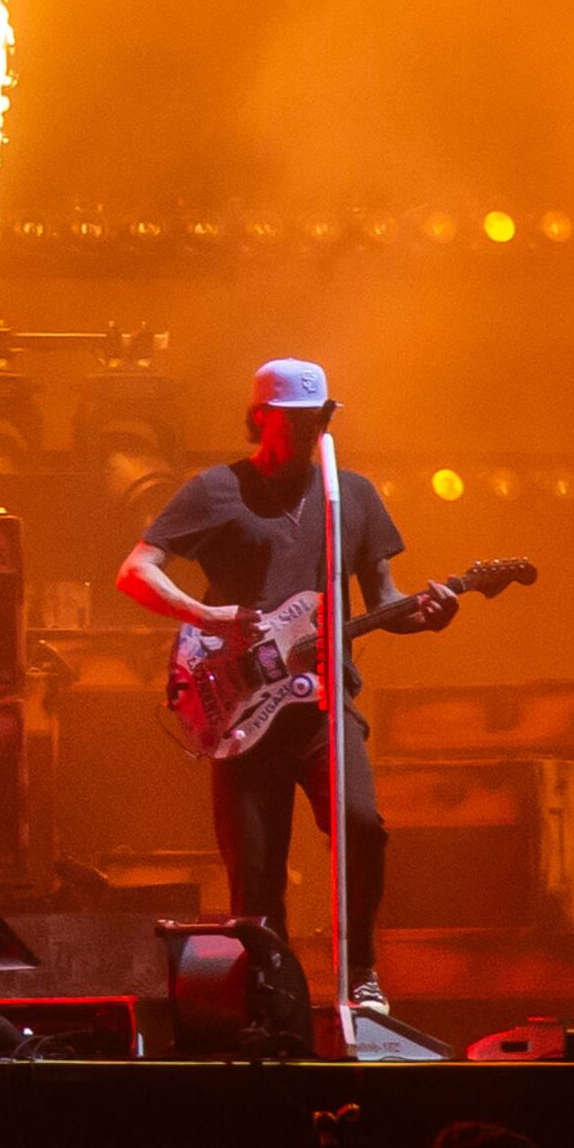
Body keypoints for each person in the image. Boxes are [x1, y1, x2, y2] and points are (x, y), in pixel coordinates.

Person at [115, 358, 454, 1017]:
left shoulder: (350, 495)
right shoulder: (216, 490)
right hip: (241, 706)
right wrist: (210, 615)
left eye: (319, 419)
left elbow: (387, 602)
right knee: (257, 875)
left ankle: (359, 974)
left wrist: (432, 613)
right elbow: (135, 571)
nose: (309, 433)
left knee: (362, 828)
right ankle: (273, 1003)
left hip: (324, 703)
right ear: (260, 417)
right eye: (295, 421)